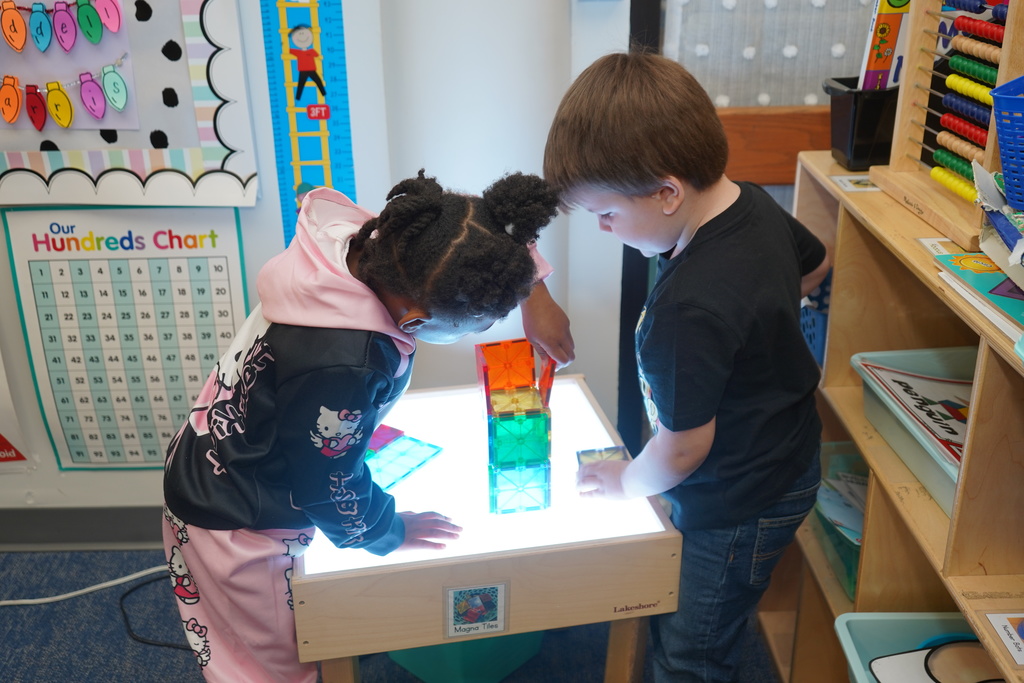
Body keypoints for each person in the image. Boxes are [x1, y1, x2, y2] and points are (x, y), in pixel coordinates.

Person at [162, 170, 561, 682]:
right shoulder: (346, 364)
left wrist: (537, 292)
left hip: (217, 459)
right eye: (476, 325)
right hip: (237, 522)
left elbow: (477, 223)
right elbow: (327, 485)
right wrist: (387, 530)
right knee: (272, 664)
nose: (482, 330)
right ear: (414, 320)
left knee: (277, 637)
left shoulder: (370, 242)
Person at [544, 52, 830, 682]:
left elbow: (681, 452)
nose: (603, 228)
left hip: (737, 504)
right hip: (788, 456)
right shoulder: (751, 202)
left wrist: (624, 482)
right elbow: (814, 264)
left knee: (692, 651)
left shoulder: (686, 310)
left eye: (606, 213)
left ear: (668, 193)